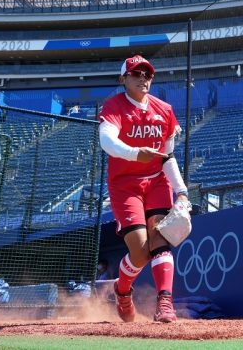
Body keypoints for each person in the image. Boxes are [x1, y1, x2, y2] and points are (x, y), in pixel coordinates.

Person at [98, 55, 189, 323]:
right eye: (136, 73)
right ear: (122, 78)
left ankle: (165, 303)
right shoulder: (114, 106)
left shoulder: (164, 110)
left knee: (160, 241)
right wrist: (136, 154)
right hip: (125, 185)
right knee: (139, 251)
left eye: (147, 74)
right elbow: (107, 142)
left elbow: (167, 157)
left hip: (157, 182)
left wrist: (181, 191)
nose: (143, 78)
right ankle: (122, 290)